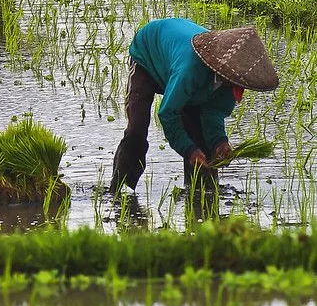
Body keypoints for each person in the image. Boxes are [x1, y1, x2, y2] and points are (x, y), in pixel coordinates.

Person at [110, 18, 279, 193]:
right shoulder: (189, 70)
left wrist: (220, 142)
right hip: (148, 55)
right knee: (137, 129)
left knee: (201, 140)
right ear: (224, 72)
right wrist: (189, 150)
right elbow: (168, 113)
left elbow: (213, 112)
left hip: (179, 67)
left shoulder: (232, 80)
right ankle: (119, 191)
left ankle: (199, 193)